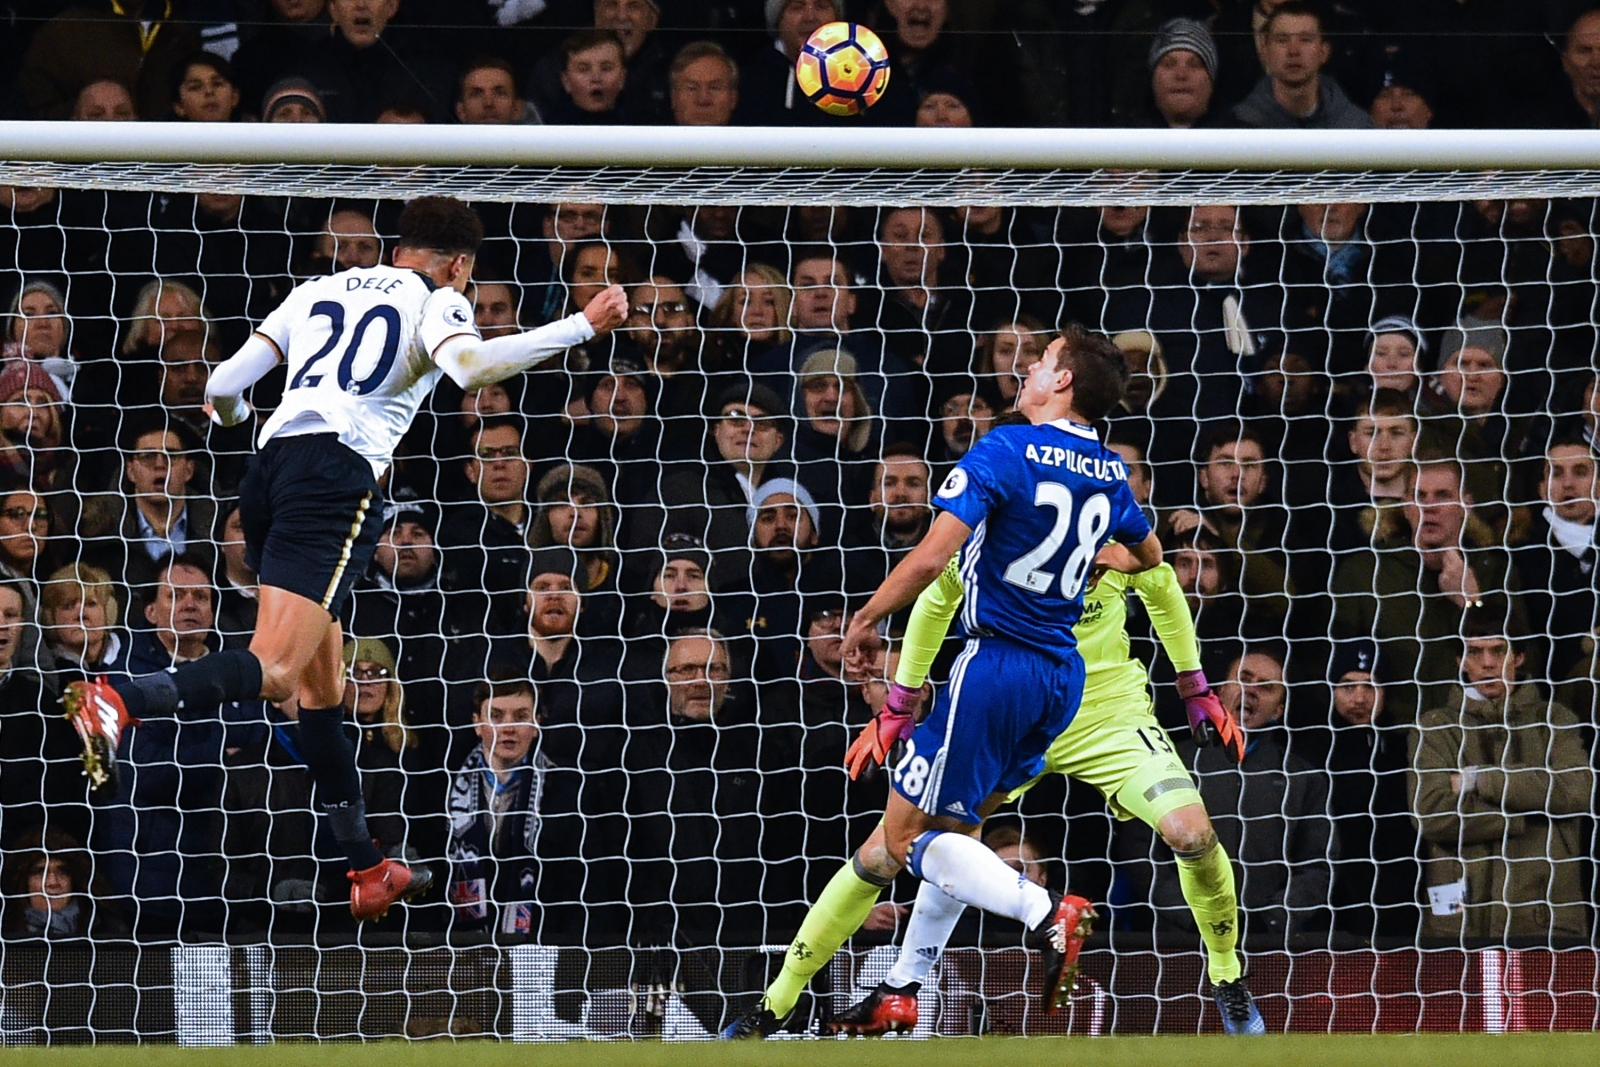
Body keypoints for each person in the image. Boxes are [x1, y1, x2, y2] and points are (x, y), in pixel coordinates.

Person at [64, 196, 628, 923]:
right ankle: (119, 698)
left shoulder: (319, 289)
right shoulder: (436, 298)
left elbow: (222, 390)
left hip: (269, 473)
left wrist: (242, 429)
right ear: (458, 263)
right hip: (336, 481)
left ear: (399, 245)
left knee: (317, 687)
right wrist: (585, 322)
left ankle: (366, 864)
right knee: (272, 668)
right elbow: (473, 369)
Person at [724, 324, 1161, 1038]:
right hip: (1060, 677)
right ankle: (901, 986)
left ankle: (1047, 910)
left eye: (1043, 360)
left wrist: (865, 617)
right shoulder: (1110, 471)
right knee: (957, 828)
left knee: (903, 840)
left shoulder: (1004, 448)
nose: (1027, 367)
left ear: (1064, 382)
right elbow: (1147, 554)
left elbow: (929, 562)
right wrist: (1081, 562)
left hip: (993, 668)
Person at [829, 498, 1261, 1035]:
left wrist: (1193, 684)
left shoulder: (1106, 521)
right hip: (1019, 709)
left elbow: (1162, 582)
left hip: (1106, 716)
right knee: (904, 844)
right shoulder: (990, 546)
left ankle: (1227, 976)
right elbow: (934, 598)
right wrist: (899, 700)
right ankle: (795, 997)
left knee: (1192, 836)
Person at [1409, 611, 1594, 942]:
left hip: (1544, 917)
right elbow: (1430, 814)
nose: (1488, 663)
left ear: (1519, 657)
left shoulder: (1556, 720)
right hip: (1457, 921)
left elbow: (1577, 792)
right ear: (1460, 661)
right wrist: (1523, 814)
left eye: (1499, 651)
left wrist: (1478, 780)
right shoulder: (1435, 727)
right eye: (1475, 653)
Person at [1230, 2, 1369, 130]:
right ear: (1265, 51)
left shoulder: (1358, 129)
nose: (1293, 51)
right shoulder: (1237, 128)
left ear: (1324, 51)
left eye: (1305, 40)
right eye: (1282, 40)